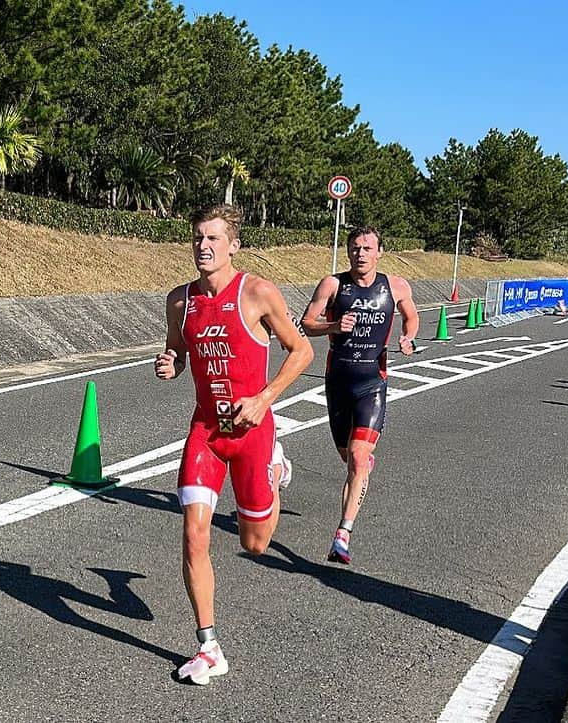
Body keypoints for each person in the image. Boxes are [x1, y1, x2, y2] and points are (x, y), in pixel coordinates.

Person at [155, 205, 313, 685]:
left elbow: (302, 350)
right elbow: (178, 350)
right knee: (193, 534)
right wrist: (170, 363)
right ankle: (209, 647)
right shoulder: (180, 301)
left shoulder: (258, 293)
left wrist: (265, 399)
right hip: (206, 431)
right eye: (198, 238)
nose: (204, 247)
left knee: (255, 543)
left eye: (214, 239)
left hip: (252, 433)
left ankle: (276, 468)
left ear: (233, 245)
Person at [301, 226, 419, 565]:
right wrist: (333, 327)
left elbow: (412, 318)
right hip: (338, 382)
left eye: (367, 248)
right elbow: (307, 323)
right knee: (348, 459)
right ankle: (360, 471)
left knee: (357, 457)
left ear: (380, 251)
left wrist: (408, 338)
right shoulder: (333, 284)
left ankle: (343, 534)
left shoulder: (396, 286)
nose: (360, 254)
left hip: (372, 383)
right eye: (355, 248)